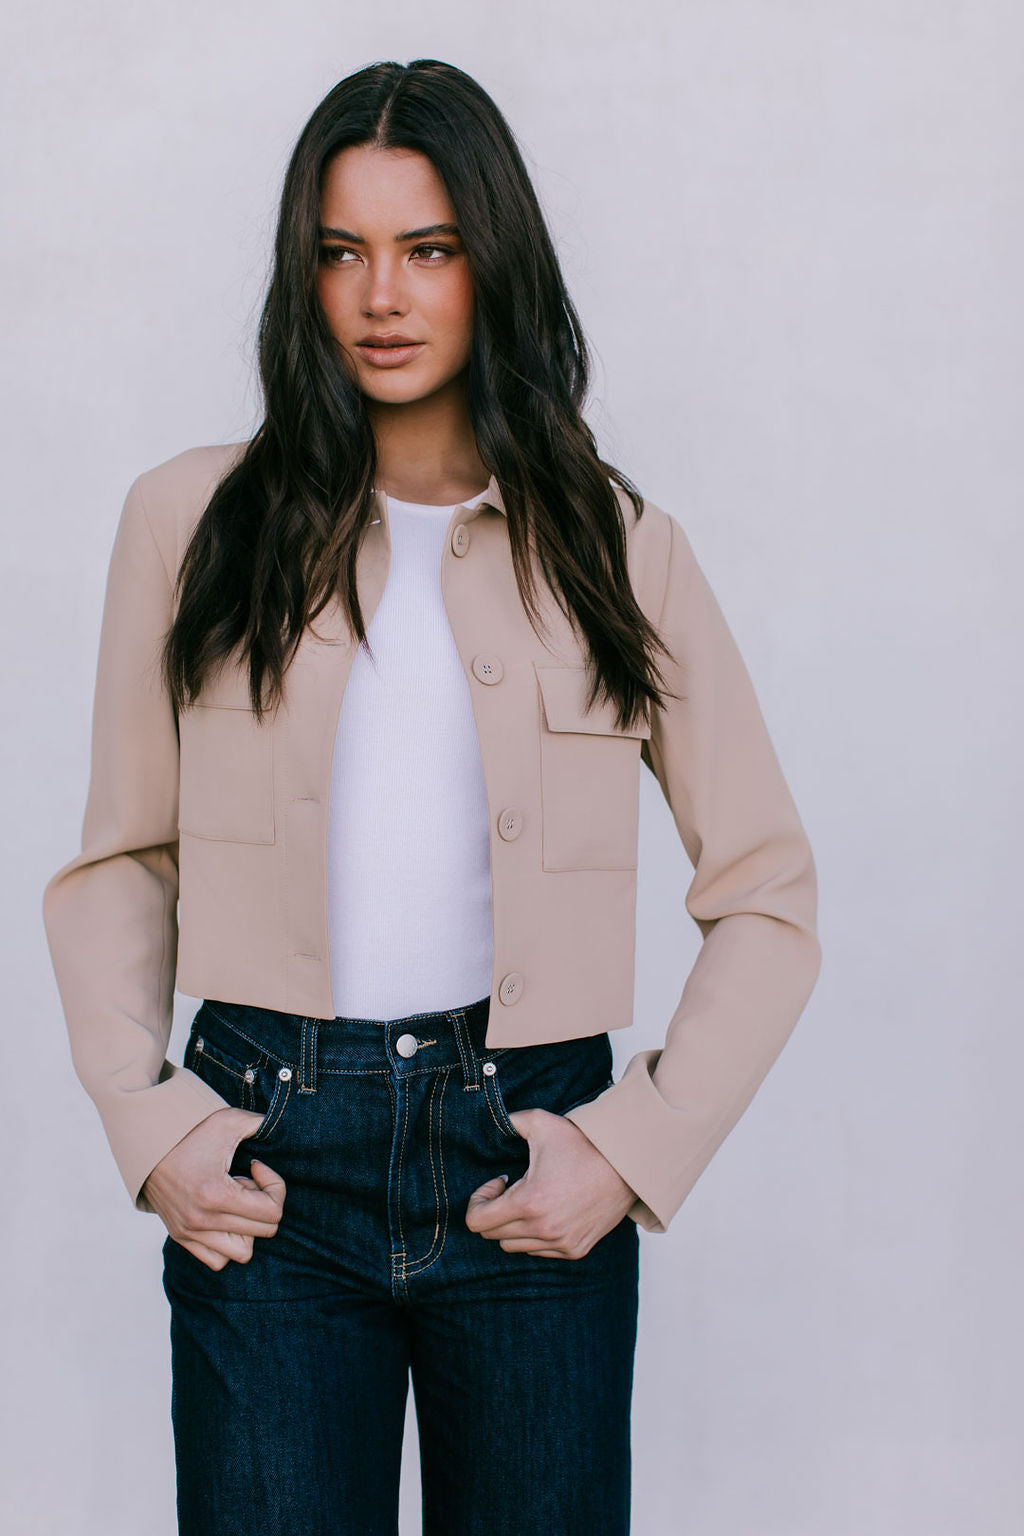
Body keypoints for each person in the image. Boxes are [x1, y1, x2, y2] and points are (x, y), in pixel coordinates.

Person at [41, 57, 822, 1536]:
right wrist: (146, 1117)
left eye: (429, 249)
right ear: (303, 276)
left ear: (494, 264)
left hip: (527, 1148)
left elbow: (770, 894)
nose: (380, 296)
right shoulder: (189, 523)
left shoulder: (617, 546)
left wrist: (633, 1146)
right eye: (341, 252)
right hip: (269, 1151)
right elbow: (123, 859)